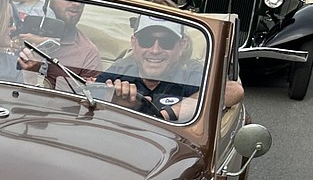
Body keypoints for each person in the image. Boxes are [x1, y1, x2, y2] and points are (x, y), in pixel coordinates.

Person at [100, 22, 244, 121]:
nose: (155, 50)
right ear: (134, 42)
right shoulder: (120, 70)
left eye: (166, 42)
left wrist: (167, 114)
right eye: (146, 40)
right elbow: (84, 92)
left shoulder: (189, 76)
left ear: (181, 46)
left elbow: (234, 91)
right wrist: (111, 100)